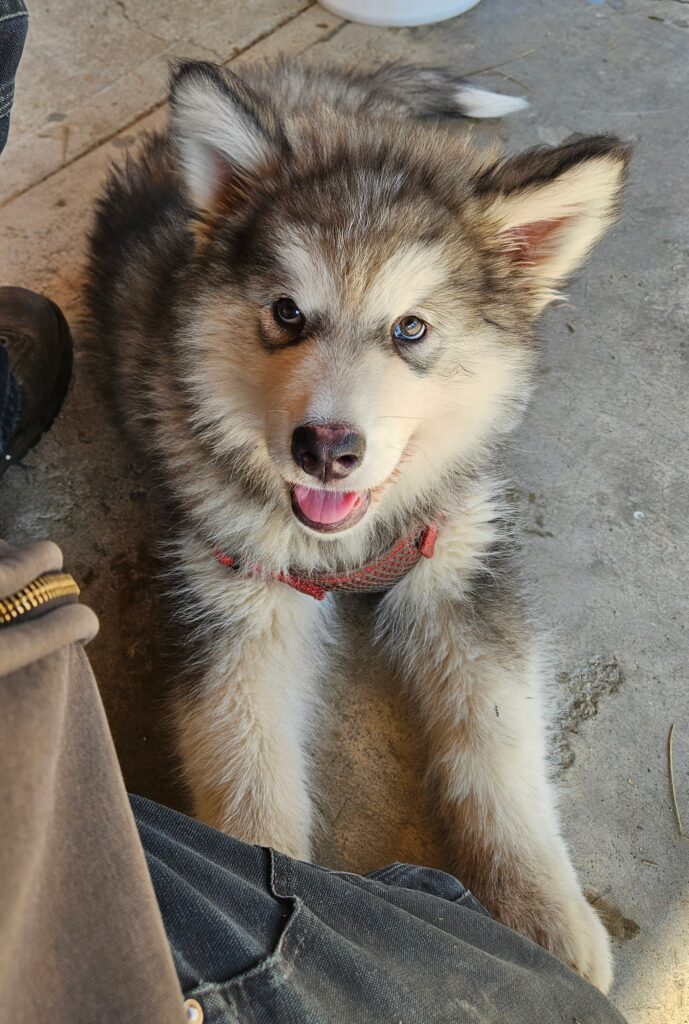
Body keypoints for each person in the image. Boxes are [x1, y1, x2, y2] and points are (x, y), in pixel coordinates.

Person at [0, 7, 628, 1022]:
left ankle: (512, 840)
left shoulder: (443, 430)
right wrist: (261, 878)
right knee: (250, 623)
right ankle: (261, 922)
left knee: (452, 577)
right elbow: (235, 669)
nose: (330, 420)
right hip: (257, 177)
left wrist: (515, 845)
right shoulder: (213, 392)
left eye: (409, 331)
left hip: (316, 147)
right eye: (287, 316)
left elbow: (471, 605)